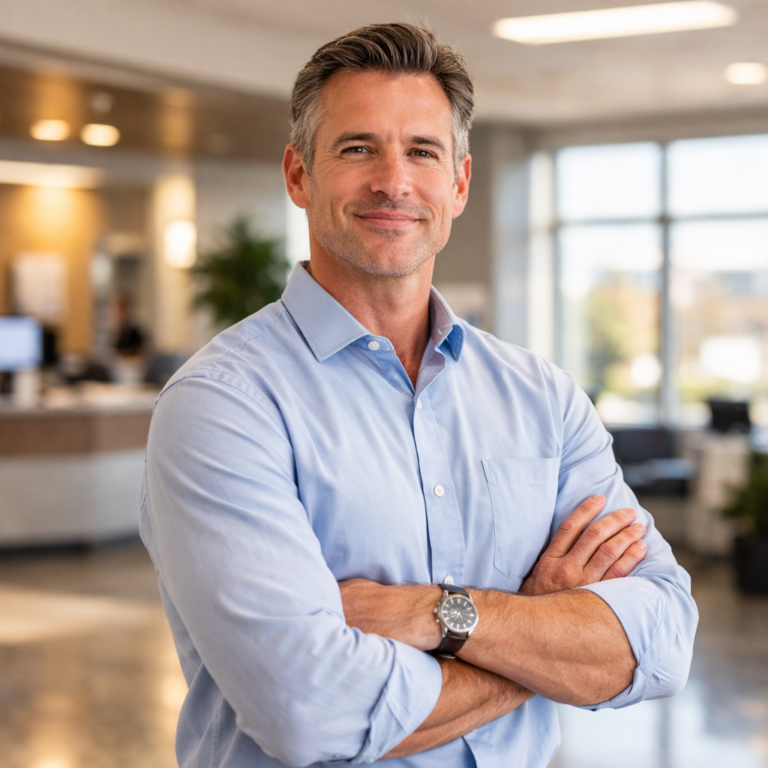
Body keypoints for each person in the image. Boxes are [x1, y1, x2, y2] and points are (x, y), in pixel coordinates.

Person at [139, 22, 698, 768]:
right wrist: (538, 633)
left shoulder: (543, 398)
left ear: (459, 183)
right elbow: (311, 713)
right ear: (299, 175)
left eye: (422, 151)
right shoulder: (222, 406)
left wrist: (435, 615)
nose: (394, 181)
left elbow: (662, 639)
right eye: (358, 147)